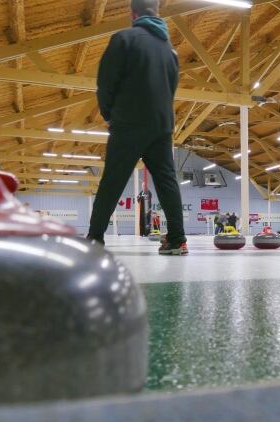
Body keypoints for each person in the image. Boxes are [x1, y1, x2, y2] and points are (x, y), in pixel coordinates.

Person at [87, 0, 187, 255]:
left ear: (132, 14)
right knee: (167, 182)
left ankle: (95, 238)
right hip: (162, 125)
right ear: (157, 12)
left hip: (129, 123)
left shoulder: (124, 39)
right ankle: (177, 240)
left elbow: (106, 83)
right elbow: (172, 88)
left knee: (113, 181)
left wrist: (109, 114)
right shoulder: (170, 51)